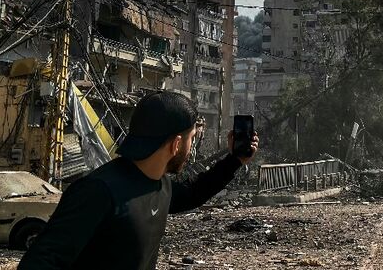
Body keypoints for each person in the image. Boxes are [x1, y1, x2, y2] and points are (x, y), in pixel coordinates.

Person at [19, 92, 258, 269]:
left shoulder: (159, 185)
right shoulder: (98, 191)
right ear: (176, 144)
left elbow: (194, 192)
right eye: (191, 139)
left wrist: (235, 160)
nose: (191, 146)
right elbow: (40, 262)